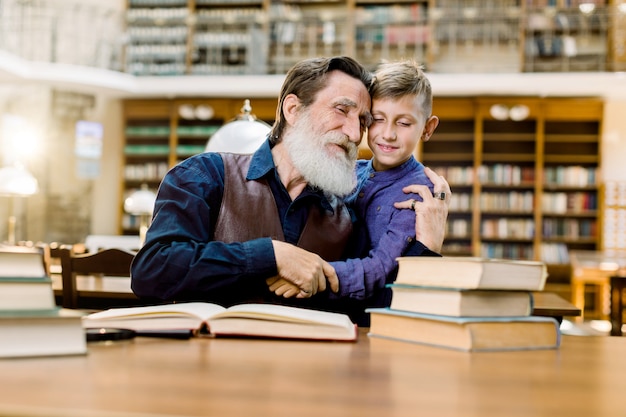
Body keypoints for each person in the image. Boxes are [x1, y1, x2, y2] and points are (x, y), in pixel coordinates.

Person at [130, 56, 449, 320]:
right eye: (342, 110)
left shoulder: (347, 210)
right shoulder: (204, 175)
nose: (355, 134)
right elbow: (151, 271)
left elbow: (377, 309)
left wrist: (428, 248)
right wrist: (268, 255)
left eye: (364, 121)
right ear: (293, 110)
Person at [267, 59, 448, 311]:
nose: (388, 134)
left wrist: (314, 274)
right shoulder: (350, 171)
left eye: (404, 123)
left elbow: (382, 267)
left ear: (427, 129)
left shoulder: (418, 193)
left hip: (373, 315)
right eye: (376, 120)